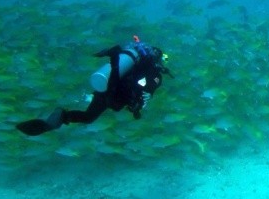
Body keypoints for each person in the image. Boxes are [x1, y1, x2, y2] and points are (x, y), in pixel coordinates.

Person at [16, 36, 171, 136]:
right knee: (110, 94)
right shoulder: (155, 73)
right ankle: (114, 56)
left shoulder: (141, 65)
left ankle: (60, 117)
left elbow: (139, 86)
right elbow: (146, 90)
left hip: (104, 90)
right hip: (116, 93)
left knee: (89, 117)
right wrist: (137, 106)